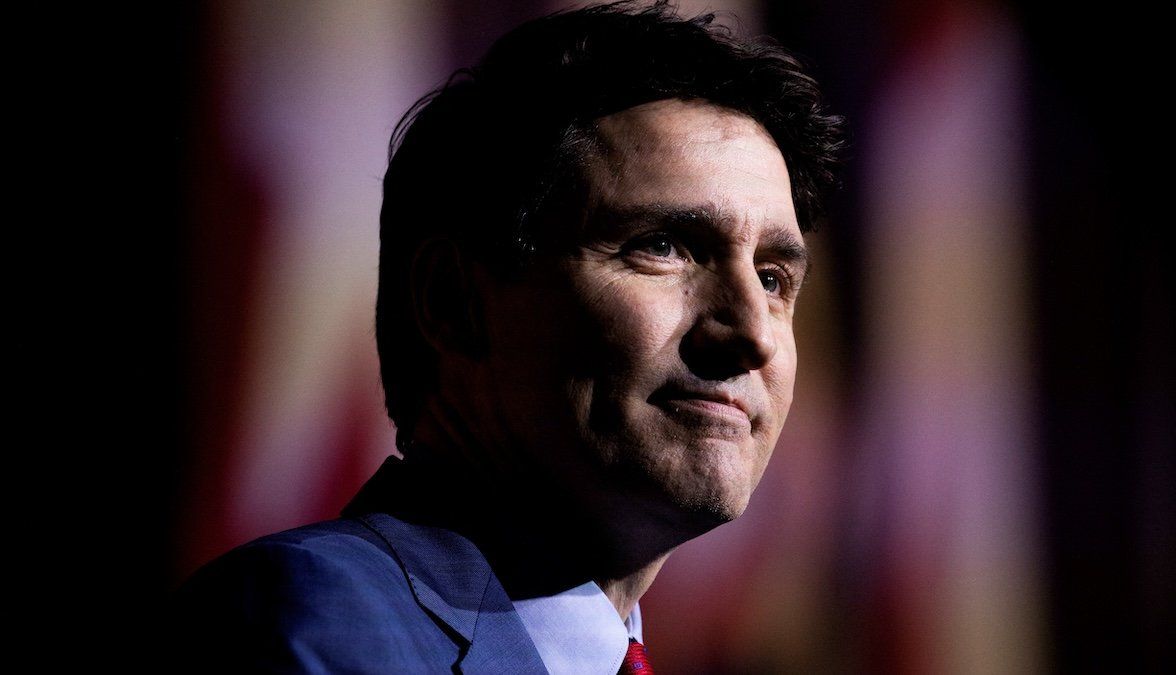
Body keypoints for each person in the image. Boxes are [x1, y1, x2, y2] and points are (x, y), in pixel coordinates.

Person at [170, 1, 843, 672]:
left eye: (774, 278)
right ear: (452, 301)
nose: (752, 332)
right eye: (663, 246)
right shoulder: (314, 627)